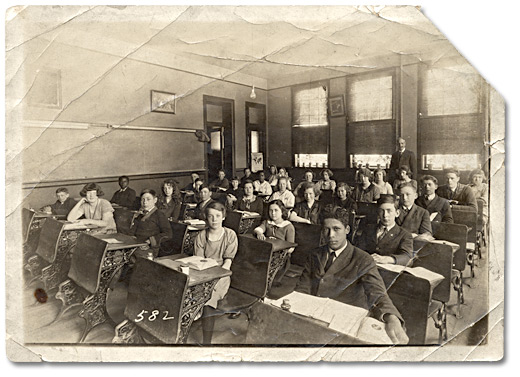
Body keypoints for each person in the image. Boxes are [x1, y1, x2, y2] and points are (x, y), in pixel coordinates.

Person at [295, 205, 409, 344]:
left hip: (343, 323)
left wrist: (392, 318)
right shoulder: (315, 254)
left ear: (347, 230)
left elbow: (377, 294)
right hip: (314, 318)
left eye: (337, 229)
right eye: (326, 229)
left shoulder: (362, 259)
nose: (331, 235)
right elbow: (302, 288)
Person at [193, 202, 238, 344]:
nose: (214, 219)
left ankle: (207, 342)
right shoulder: (201, 235)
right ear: (206, 218)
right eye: (211, 216)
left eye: (218, 216)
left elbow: (227, 262)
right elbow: (198, 261)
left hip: (222, 275)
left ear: (223, 217)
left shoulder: (230, 235)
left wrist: (215, 279)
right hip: (203, 272)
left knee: (208, 297)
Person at [355, 195, 414, 266]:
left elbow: (407, 257)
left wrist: (388, 259)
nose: (385, 215)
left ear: (397, 213)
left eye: (389, 211)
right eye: (381, 211)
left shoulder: (404, 235)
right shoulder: (368, 229)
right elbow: (358, 250)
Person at [254, 200, 295, 284]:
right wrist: (259, 233)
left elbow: (291, 247)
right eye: (270, 210)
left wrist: (280, 248)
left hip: (281, 257)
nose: (273, 213)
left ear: (282, 211)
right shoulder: (267, 222)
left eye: (276, 210)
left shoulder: (288, 226)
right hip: (267, 252)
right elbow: (258, 229)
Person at [127, 189, 173, 256]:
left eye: (148, 199)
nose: (145, 202)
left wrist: (149, 241)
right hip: (136, 245)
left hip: (150, 248)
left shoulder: (159, 215)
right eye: (143, 199)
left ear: (155, 200)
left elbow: (168, 233)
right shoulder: (140, 214)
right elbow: (132, 231)